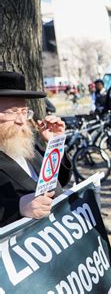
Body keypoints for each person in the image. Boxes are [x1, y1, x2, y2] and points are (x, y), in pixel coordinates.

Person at [0, 71, 72, 227]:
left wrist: (55, 144)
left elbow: (61, 181)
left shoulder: (28, 144)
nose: (21, 121)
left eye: (24, 112)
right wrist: (18, 207)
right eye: (13, 112)